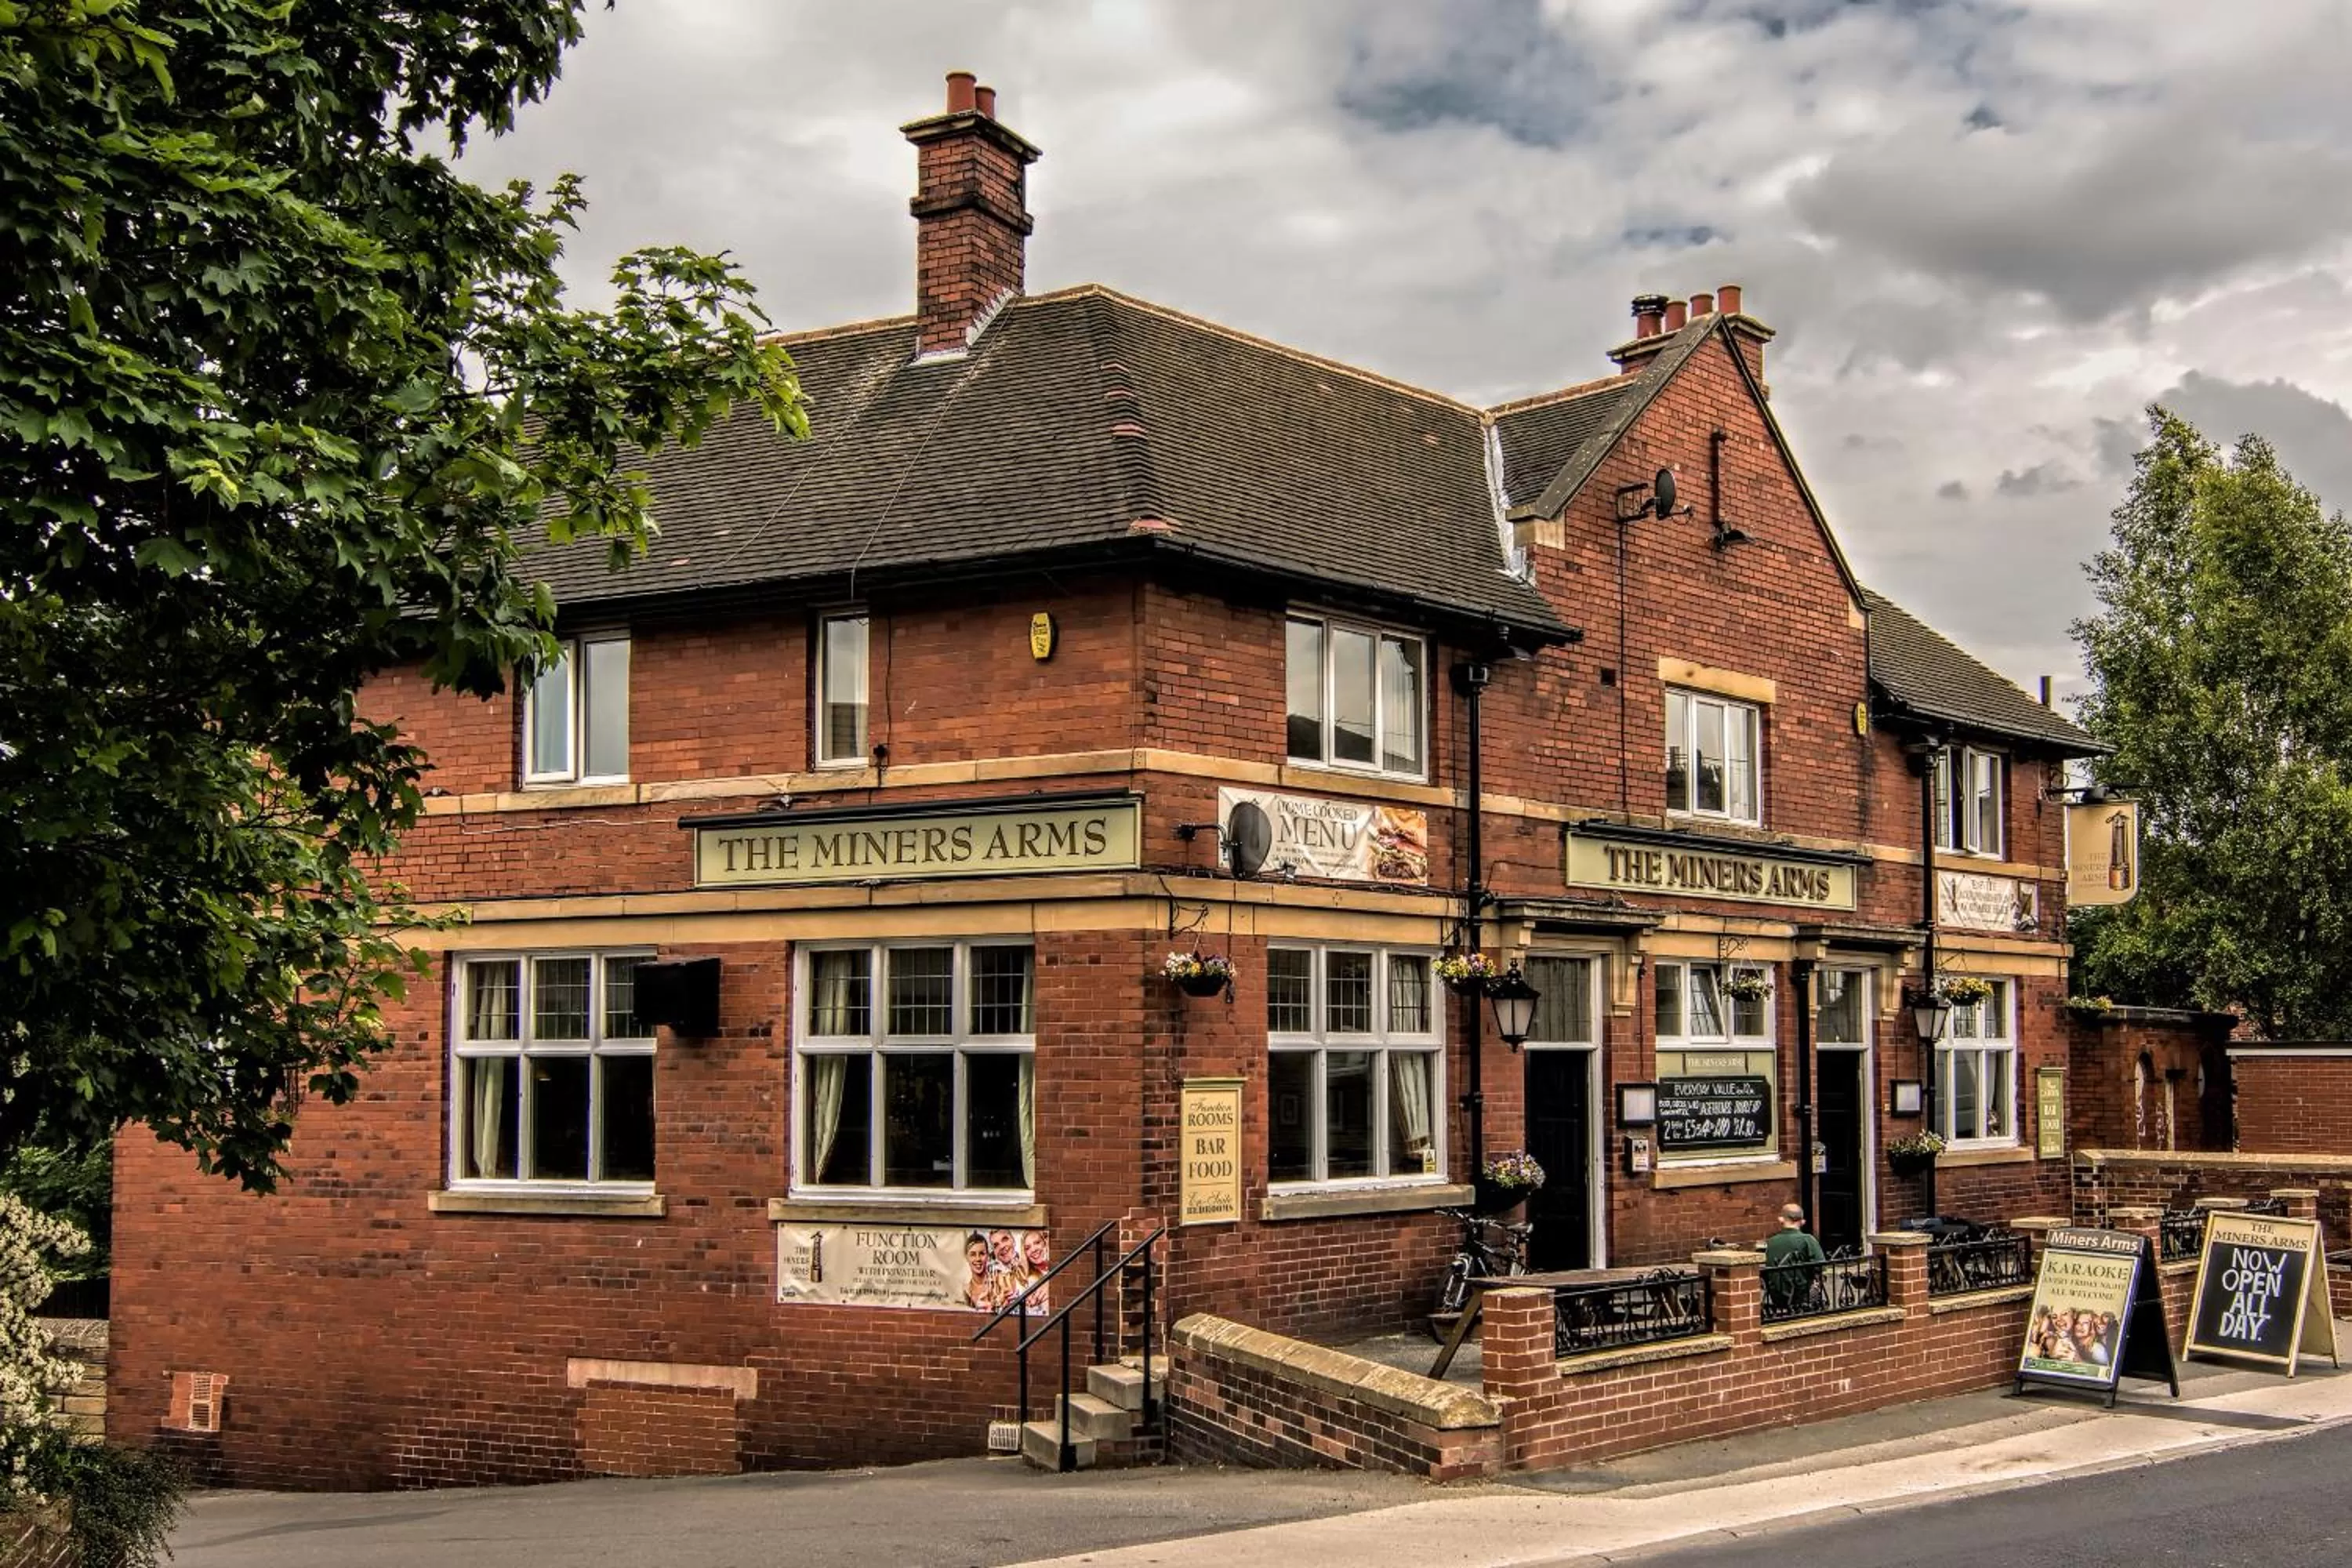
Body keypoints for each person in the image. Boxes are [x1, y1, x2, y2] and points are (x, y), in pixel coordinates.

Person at [1762, 1203, 1826, 1312]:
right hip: (1802, 1297)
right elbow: (1820, 1267)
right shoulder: (1808, 1240)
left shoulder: (1771, 1242)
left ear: (1781, 1220)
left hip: (1776, 1296)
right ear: (1802, 1222)